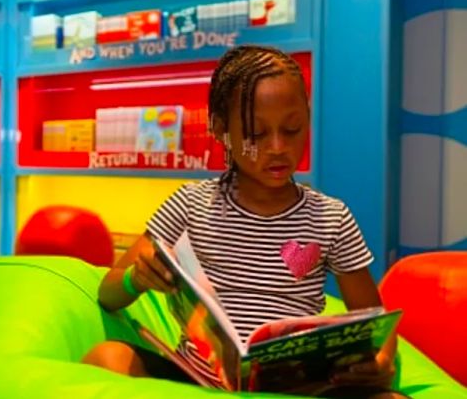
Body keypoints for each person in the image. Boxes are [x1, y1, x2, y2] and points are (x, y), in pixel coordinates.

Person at [83, 45, 407, 399]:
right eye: (256, 134)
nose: (278, 147)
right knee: (107, 357)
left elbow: (375, 319)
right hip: (197, 382)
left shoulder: (330, 216)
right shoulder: (190, 204)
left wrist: (381, 361)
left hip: (301, 389)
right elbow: (108, 292)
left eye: (293, 129)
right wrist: (135, 278)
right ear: (221, 129)